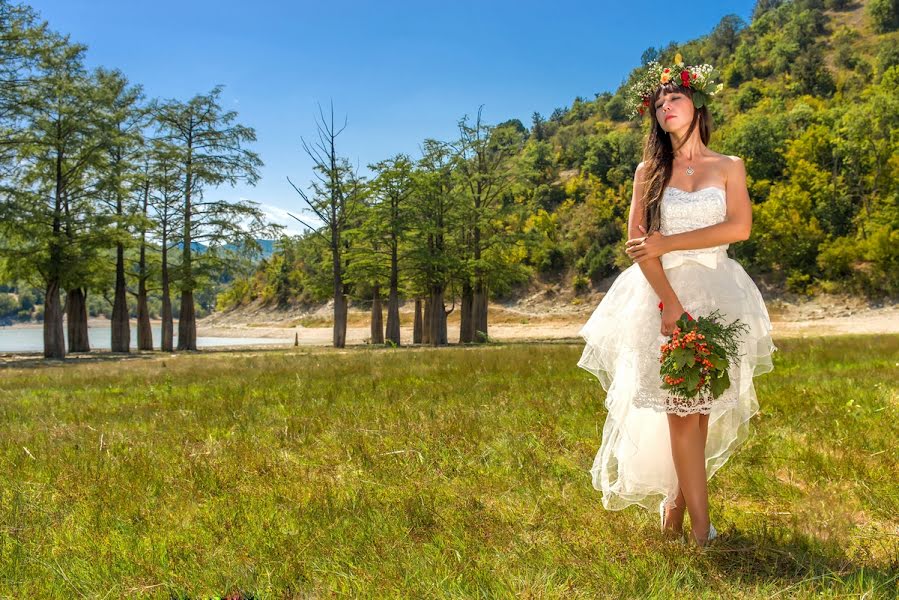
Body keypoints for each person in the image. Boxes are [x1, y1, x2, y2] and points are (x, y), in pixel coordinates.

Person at [577, 55, 777, 546]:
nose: (667, 106)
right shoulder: (648, 171)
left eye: (676, 97)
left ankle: (673, 513)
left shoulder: (729, 166)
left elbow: (739, 227)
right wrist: (668, 302)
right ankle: (700, 531)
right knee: (681, 408)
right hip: (663, 296)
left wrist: (672, 243)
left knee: (699, 408)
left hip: (719, 293)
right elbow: (639, 244)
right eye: (660, 101)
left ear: (697, 105)